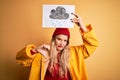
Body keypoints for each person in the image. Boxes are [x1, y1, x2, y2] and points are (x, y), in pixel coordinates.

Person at [16, 13, 98, 80]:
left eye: (65, 40)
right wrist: (35, 50)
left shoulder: (75, 52)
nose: (62, 43)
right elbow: (20, 59)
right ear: (53, 39)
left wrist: (82, 26)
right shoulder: (43, 53)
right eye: (59, 39)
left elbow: (93, 45)